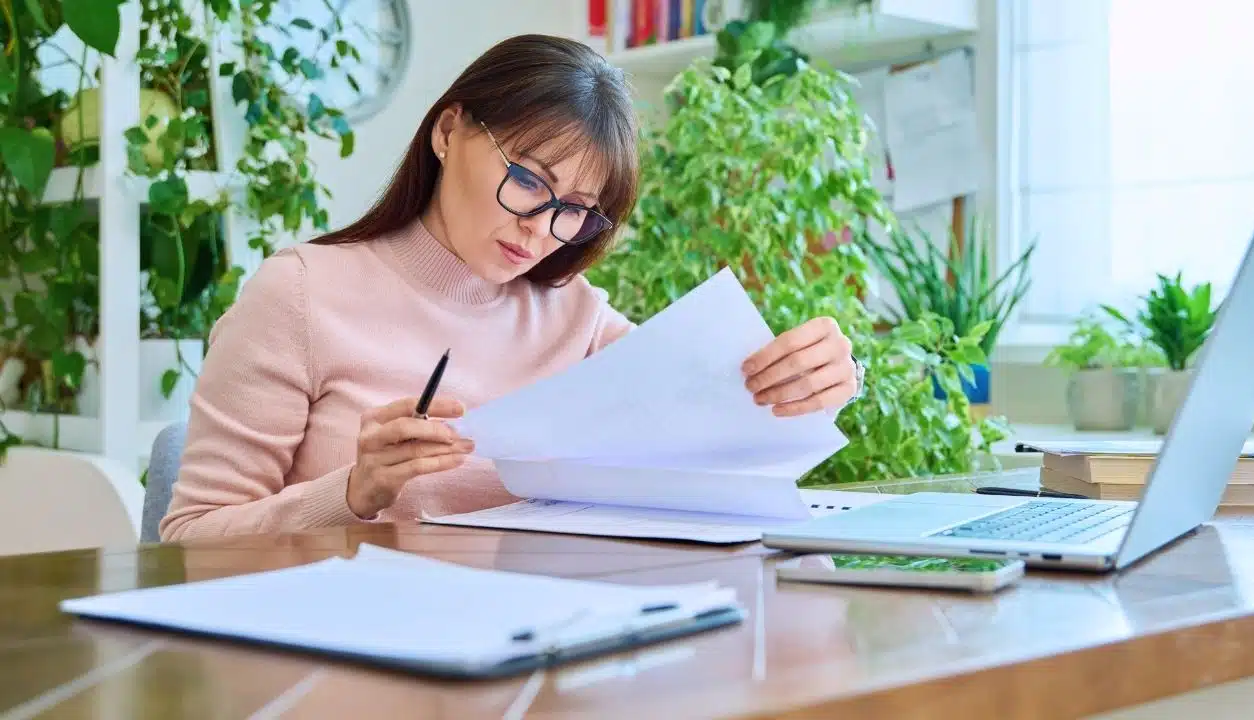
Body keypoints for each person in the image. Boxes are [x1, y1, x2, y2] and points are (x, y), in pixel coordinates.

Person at [158, 34, 864, 542]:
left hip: (538, 661)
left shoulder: (581, 323)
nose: (540, 229)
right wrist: (352, 492)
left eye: (575, 210)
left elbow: (720, 430)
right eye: (527, 179)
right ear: (447, 130)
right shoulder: (301, 295)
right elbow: (189, 540)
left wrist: (817, 378)